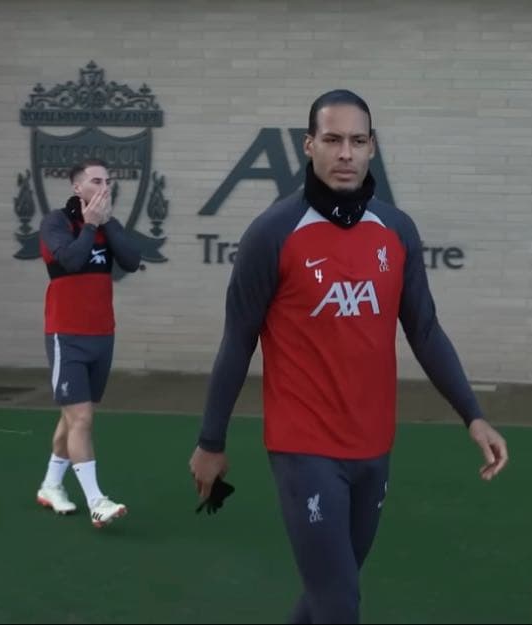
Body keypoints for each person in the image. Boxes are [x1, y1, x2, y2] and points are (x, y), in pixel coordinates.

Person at [188, 89, 509, 624]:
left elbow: (425, 330)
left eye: (357, 141)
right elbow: (238, 340)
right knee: (340, 604)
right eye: (333, 139)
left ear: (372, 147)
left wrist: (473, 415)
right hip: (303, 446)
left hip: (374, 444)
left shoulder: (397, 231)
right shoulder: (272, 234)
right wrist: (210, 441)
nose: (345, 153)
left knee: (331, 592)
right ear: (309, 145)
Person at [35, 157, 140, 527]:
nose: (104, 187)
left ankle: (51, 485)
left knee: (72, 417)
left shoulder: (108, 225)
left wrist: (105, 223)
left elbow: (131, 260)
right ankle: (97, 501)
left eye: (107, 181)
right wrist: (91, 224)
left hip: (102, 335)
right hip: (67, 335)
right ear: (77, 187)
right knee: (81, 417)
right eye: (96, 181)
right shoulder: (56, 223)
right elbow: (72, 260)